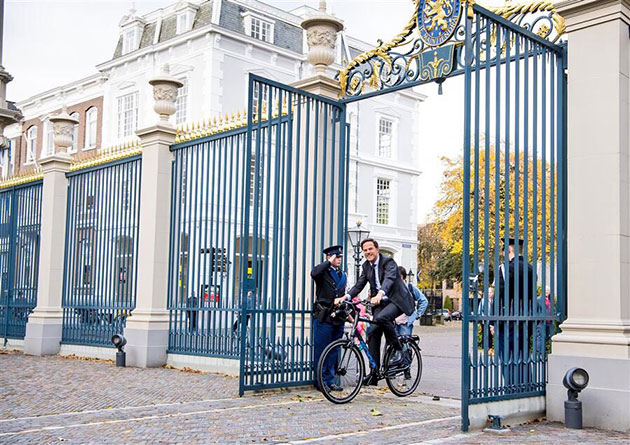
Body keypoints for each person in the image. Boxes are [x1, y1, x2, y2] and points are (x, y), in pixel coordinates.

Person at [340, 238, 415, 385]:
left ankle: (398, 350)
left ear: (377, 249)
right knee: (372, 333)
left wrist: (380, 293)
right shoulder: (366, 266)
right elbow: (359, 285)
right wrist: (346, 296)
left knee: (382, 318)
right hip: (380, 304)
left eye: (370, 249)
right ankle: (373, 374)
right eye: (365, 250)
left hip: (396, 301)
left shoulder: (389, 262)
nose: (368, 252)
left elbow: (389, 279)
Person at [492, 237, 536, 391]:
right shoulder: (531, 269)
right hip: (526, 319)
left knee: (507, 357)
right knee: (523, 356)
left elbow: (499, 295)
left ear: (509, 250)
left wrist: (493, 321)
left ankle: (511, 388)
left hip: (508, 320)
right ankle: (526, 387)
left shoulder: (505, 268)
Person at [311, 245, 347, 392]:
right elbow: (314, 273)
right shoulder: (322, 272)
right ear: (329, 257)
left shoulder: (342, 274)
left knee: (333, 350)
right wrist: (328, 262)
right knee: (322, 349)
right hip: (324, 316)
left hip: (338, 316)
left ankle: (330, 380)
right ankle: (320, 381)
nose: (338, 259)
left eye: (339, 257)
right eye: (335, 257)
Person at [394, 266, 428, 337]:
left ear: (401, 276)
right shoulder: (393, 289)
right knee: (392, 346)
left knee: (404, 346)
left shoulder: (411, 288)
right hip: (393, 323)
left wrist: (418, 314)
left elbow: (424, 301)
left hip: (405, 323)